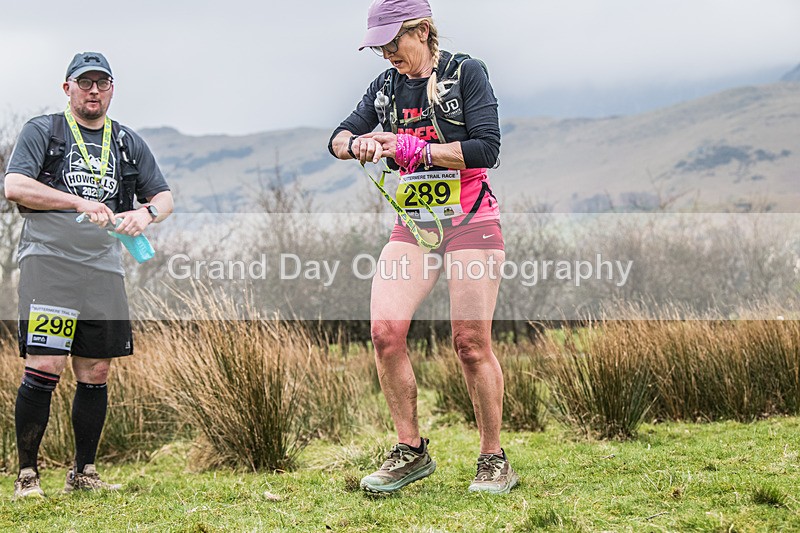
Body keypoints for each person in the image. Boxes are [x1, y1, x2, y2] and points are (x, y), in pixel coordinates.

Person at [328, 0, 517, 494]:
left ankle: (494, 459)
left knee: (470, 345)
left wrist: (421, 150)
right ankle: (410, 451)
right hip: (414, 227)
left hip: (471, 221)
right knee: (385, 332)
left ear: (424, 31)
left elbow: (487, 148)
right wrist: (359, 144)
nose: (388, 52)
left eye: (395, 41)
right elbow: (337, 137)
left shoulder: (465, 73)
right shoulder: (385, 88)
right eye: (380, 46)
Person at [4, 52, 173, 499]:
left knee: (96, 369)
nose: (93, 90)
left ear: (112, 89)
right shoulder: (45, 131)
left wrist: (146, 214)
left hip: (102, 268)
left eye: (102, 83)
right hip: (49, 263)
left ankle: (84, 472)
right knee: (46, 363)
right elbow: (14, 186)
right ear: (68, 88)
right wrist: (77, 202)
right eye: (85, 83)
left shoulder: (126, 142)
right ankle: (27, 476)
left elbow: (164, 196)